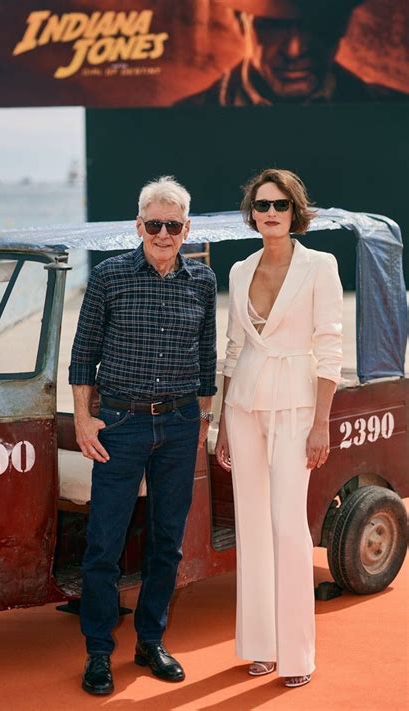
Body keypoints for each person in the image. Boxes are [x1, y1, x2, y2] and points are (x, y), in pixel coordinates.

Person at [69, 176, 217, 695]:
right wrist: (85, 420)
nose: (163, 233)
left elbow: (206, 358)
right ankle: (98, 653)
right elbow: (83, 355)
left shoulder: (201, 281)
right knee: (104, 544)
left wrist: (199, 417)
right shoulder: (109, 277)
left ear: (185, 229)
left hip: (178, 426)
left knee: (167, 545)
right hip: (120, 426)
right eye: (154, 224)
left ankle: (150, 641)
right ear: (138, 226)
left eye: (172, 225)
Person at [215, 168, 343, 687]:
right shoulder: (241, 269)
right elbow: (232, 348)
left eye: (281, 205)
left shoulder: (320, 265)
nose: (270, 213)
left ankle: (296, 656)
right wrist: (222, 422)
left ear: (296, 212)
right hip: (244, 407)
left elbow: (330, 344)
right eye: (262, 205)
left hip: (296, 408)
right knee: (251, 525)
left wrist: (321, 422)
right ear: (252, 212)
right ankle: (261, 645)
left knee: (289, 529)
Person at [178, 0, 408, 105]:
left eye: (317, 24)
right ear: (239, 23)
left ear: (343, 24)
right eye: (273, 25)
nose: (295, 51)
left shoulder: (394, 106)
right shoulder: (188, 113)